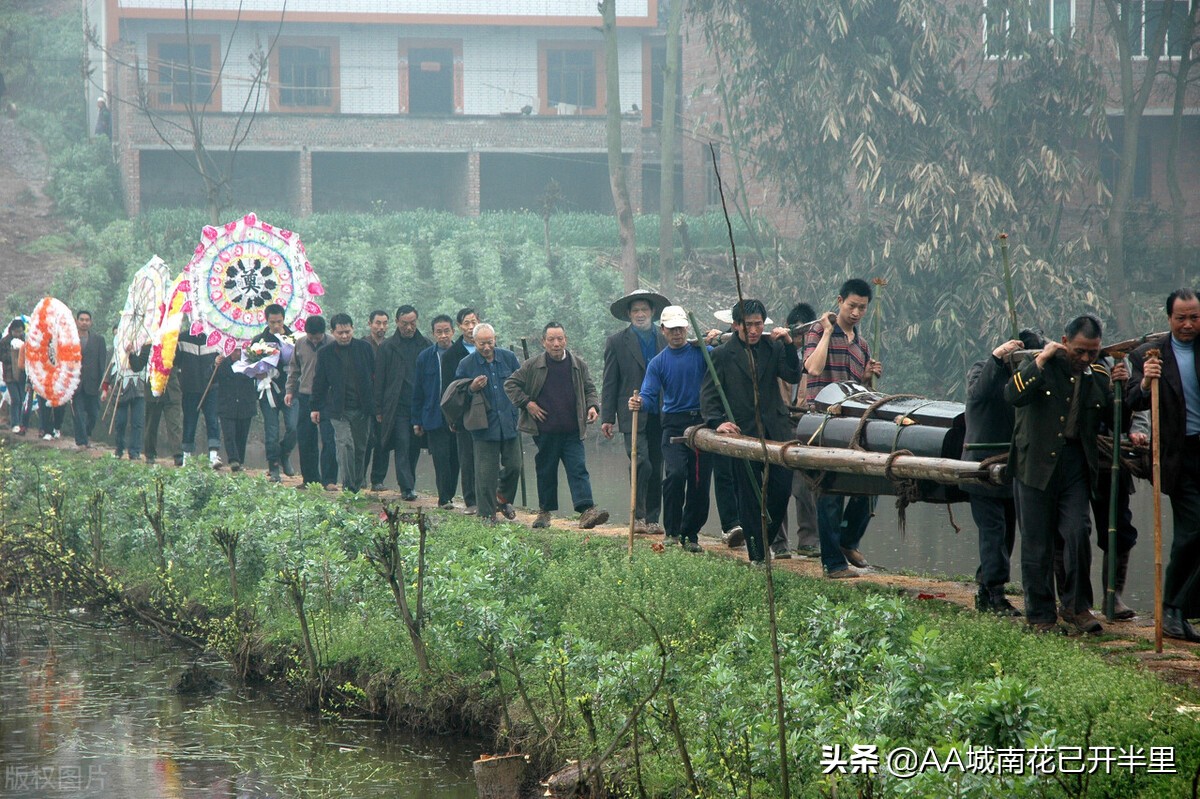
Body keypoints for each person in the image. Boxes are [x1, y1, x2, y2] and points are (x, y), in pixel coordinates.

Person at [1005, 314, 1125, 635]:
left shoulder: (1099, 375)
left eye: (1092, 352)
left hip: (1075, 464)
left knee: (1076, 532)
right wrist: (1042, 359)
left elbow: (1117, 419)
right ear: (1065, 341)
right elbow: (1013, 395)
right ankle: (1041, 615)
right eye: (1079, 351)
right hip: (1035, 464)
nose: (1085, 358)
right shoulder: (1042, 365)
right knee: (1037, 541)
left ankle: (1076, 607)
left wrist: (1124, 388)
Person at [701, 300, 801, 564]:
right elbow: (710, 396)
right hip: (742, 433)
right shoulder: (722, 354)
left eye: (758, 324)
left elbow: (793, 374)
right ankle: (757, 554)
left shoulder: (774, 346)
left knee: (781, 488)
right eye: (749, 325)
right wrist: (717, 422)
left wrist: (790, 344)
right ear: (736, 325)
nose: (754, 330)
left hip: (776, 430)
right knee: (749, 495)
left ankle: (764, 537)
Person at [1127, 288, 1200, 642]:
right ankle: (1173, 607)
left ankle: (1178, 610)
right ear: (1169, 319)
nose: (1188, 325)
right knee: (1193, 529)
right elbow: (1131, 399)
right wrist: (1145, 380)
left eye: (1195, 317)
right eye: (1181, 318)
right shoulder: (1149, 355)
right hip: (1178, 456)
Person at [962, 330, 1045, 616]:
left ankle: (987, 588)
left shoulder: (1030, 380)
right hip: (982, 468)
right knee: (994, 532)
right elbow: (977, 395)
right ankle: (994, 594)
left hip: (1013, 469)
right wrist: (997, 360)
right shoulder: (982, 370)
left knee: (1007, 534)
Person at [803, 279, 883, 577]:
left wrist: (866, 376)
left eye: (862, 308)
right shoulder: (817, 331)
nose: (856, 313)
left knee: (869, 484)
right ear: (839, 301)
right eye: (851, 306)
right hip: (821, 421)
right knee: (831, 491)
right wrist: (826, 331)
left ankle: (849, 541)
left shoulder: (862, 345)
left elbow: (858, 391)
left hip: (852, 423)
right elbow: (813, 367)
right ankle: (833, 564)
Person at [505, 322, 608, 530]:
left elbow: (590, 389)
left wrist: (593, 407)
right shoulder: (533, 365)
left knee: (578, 468)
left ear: (566, 340)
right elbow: (510, 384)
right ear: (544, 342)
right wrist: (527, 403)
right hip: (545, 430)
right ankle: (544, 513)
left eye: (560, 338)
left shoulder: (578, 364)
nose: (556, 343)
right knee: (546, 471)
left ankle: (586, 511)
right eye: (551, 339)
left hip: (572, 429)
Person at [630, 306, 712, 552]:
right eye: (672, 329)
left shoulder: (704, 353)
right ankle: (673, 531)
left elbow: (724, 361)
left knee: (699, 482)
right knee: (675, 475)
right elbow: (648, 393)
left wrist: (716, 338)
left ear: (687, 328)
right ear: (663, 330)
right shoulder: (658, 362)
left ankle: (691, 535)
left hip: (702, 424)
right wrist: (639, 402)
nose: (677, 333)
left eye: (681, 328)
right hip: (673, 424)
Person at [601, 290, 669, 535]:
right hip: (632, 412)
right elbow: (610, 382)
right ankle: (637, 516)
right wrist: (607, 417)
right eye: (636, 310)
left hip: (661, 412)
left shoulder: (664, 339)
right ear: (629, 314)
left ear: (652, 312)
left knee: (658, 464)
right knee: (641, 462)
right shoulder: (617, 342)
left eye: (645, 310)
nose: (640, 314)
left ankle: (652, 519)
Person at [455, 323, 521, 524]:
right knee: (485, 473)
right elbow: (458, 395)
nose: (486, 347)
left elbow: (521, 383)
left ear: (495, 339)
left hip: (509, 422)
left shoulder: (508, 358)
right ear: (474, 342)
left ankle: (501, 498)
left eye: (489, 342)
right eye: (481, 343)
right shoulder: (466, 364)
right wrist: (472, 388)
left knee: (514, 466)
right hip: (483, 426)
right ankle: (486, 514)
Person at [311, 314, 375, 493]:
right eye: (340, 333)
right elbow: (320, 382)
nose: (344, 336)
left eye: (347, 332)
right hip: (339, 410)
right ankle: (349, 487)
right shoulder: (325, 353)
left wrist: (376, 406)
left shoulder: (365, 349)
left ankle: (357, 482)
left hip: (363, 408)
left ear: (353, 329)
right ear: (333, 332)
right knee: (345, 445)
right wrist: (315, 407)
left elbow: (375, 376)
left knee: (361, 448)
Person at [372, 305, 431, 498]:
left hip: (419, 406)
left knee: (414, 446)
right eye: (405, 323)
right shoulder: (387, 347)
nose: (409, 328)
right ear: (397, 322)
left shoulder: (425, 345)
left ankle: (409, 482)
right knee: (402, 444)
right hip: (397, 406)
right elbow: (379, 380)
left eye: (412, 323)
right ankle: (406, 487)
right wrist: (379, 408)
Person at [779, 301, 819, 557]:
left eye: (804, 333)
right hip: (781, 421)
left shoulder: (818, 353)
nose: (799, 338)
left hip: (807, 423)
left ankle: (809, 540)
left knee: (806, 487)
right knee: (778, 485)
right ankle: (778, 543)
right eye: (796, 333)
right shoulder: (777, 349)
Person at [412, 314, 459, 509]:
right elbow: (418, 389)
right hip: (434, 416)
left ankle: (451, 494)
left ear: (453, 331)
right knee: (440, 458)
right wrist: (417, 420)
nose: (443, 336)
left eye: (446, 331)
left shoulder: (461, 354)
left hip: (457, 417)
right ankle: (444, 498)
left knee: (456, 458)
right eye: (439, 332)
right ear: (433, 334)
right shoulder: (426, 357)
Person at [286, 315, 337, 487]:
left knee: (329, 438)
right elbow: (294, 369)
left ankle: (329, 480)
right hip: (306, 395)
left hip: (328, 397)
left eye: (318, 338)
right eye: (311, 338)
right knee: (306, 438)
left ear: (324, 333)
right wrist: (290, 391)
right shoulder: (300, 343)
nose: (314, 341)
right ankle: (310, 479)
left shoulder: (333, 343)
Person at [251, 305, 298, 482]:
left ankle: (285, 454)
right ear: (267, 321)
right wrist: (258, 372)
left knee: (293, 426)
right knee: (271, 429)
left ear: (284, 319)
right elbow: (249, 365)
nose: (276, 325)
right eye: (272, 322)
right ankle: (274, 467)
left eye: (279, 321)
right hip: (268, 389)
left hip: (290, 390)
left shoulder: (293, 339)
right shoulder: (259, 341)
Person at [447, 308, 480, 512]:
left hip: (488, 413)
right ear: (459, 326)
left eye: (474, 322)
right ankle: (471, 500)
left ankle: (490, 496)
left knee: (488, 456)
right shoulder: (452, 354)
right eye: (466, 323)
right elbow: (448, 390)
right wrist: (452, 416)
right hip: (464, 411)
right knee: (467, 457)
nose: (471, 327)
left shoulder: (488, 349)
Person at [176, 325, 223, 467]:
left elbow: (221, 363)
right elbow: (175, 362)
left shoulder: (214, 337)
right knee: (189, 421)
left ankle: (213, 456)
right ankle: (187, 456)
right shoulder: (182, 338)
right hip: (190, 388)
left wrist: (217, 363)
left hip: (211, 387)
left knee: (212, 420)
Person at [214, 348, 257, 472]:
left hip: (245, 404)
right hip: (226, 404)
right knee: (229, 434)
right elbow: (210, 377)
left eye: (240, 351)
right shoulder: (222, 362)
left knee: (242, 434)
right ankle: (234, 460)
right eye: (235, 351)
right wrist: (215, 365)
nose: (238, 354)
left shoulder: (251, 361)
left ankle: (240, 460)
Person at [104, 342, 148, 461]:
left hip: (139, 387)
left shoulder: (145, 345)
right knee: (120, 422)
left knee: (137, 422)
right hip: (121, 388)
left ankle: (135, 451)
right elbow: (112, 366)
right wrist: (105, 387)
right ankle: (119, 449)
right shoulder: (119, 344)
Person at [72, 310, 107, 450]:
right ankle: (82, 441)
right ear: (77, 321)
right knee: (78, 413)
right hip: (75, 383)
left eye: (87, 320)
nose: (84, 322)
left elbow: (102, 362)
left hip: (93, 383)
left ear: (91, 322)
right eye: (82, 319)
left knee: (93, 413)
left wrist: (104, 384)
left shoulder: (99, 340)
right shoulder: (70, 339)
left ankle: (86, 433)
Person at [362, 310, 389, 487]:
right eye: (377, 323)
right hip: (365, 399)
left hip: (386, 400)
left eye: (384, 323)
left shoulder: (390, 345)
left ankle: (378, 479)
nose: (381, 327)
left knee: (382, 440)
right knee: (365, 439)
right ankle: (360, 476)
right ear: (370, 323)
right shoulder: (362, 344)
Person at [143, 359, 183, 466]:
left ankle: (178, 455)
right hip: (153, 389)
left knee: (174, 424)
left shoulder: (174, 344)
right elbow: (138, 364)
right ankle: (150, 454)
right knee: (151, 425)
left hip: (171, 390)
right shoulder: (148, 345)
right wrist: (131, 354)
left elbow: (181, 360)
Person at [2, 318, 26, 434]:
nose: (18, 334)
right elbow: (1, 357)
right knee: (15, 398)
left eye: (20, 331)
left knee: (22, 398)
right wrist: (13, 354)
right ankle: (15, 423)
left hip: (22, 374)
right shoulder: (4, 341)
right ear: (11, 330)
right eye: (16, 331)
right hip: (9, 374)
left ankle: (21, 423)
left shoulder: (25, 341)